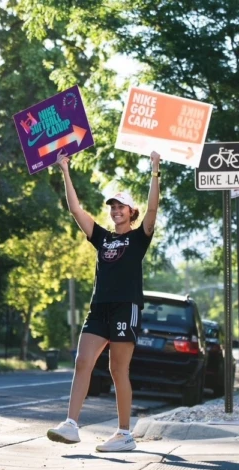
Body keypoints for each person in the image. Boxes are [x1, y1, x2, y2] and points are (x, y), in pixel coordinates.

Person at [47, 149, 160, 452]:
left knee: (117, 370)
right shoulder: (103, 238)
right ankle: (71, 425)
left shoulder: (139, 237)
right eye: (113, 206)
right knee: (82, 361)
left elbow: (152, 211)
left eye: (121, 206)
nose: (115, 210)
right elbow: (75, 210)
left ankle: (124, 434)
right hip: (99, 308)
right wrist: (65, 170)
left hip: (127, 306)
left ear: (131, 211)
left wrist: (154, 170)